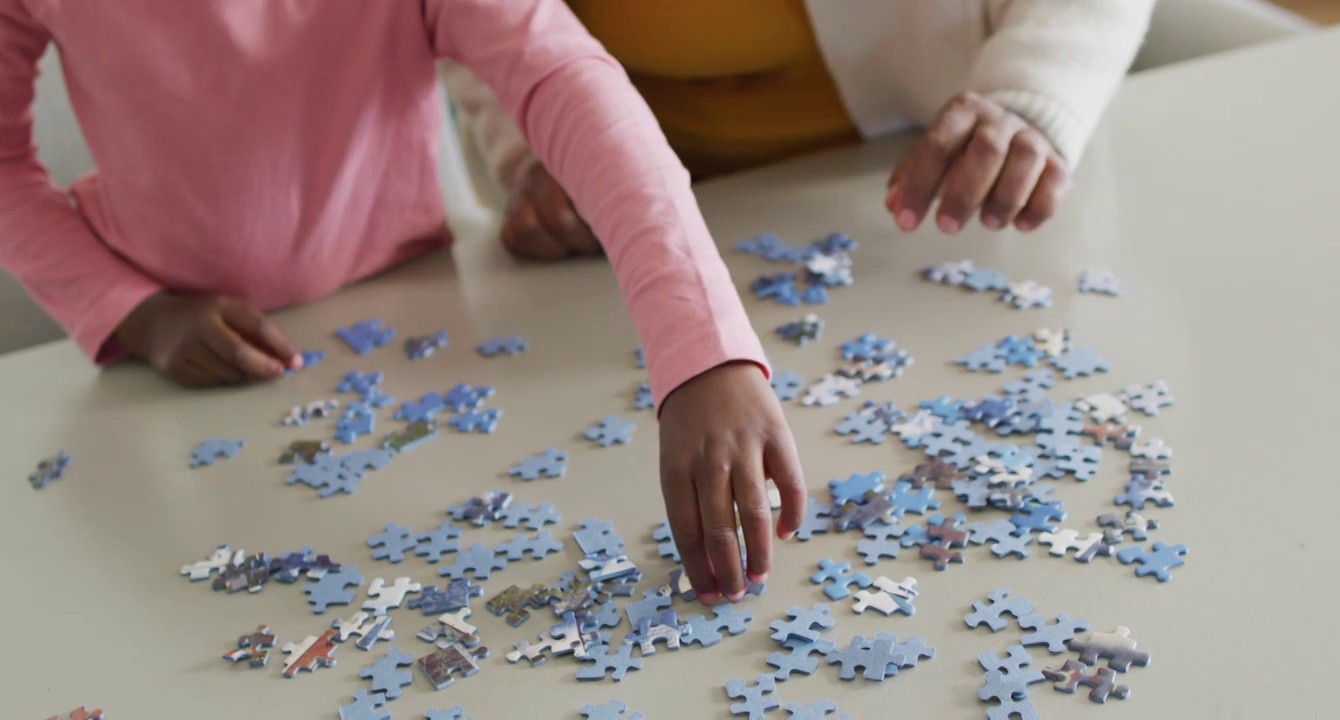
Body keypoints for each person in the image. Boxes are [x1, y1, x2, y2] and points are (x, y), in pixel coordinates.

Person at [0, 0, 804, 604]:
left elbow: (561, 73)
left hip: (421, 323)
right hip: (168, 381)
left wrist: (702, 347)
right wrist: (128, 307)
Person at [442, 0, 1158, 259]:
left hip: (930, 193)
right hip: (654, 227)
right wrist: (541, 150)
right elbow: (471, 19)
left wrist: (1031, 96)